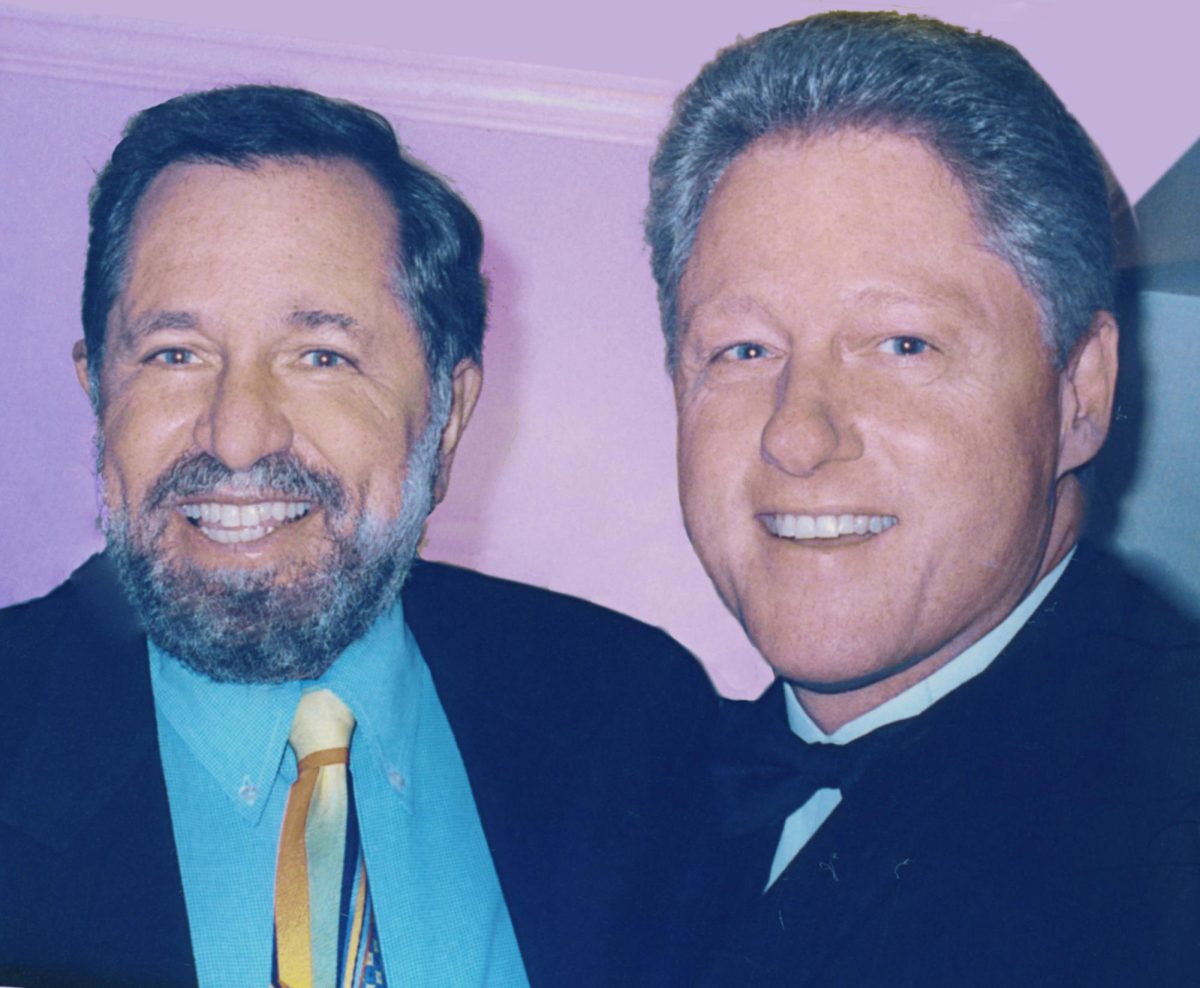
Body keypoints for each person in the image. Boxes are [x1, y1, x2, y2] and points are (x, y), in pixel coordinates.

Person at [0, 84, 715, 988]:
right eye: (174, 353)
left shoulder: (634, 718)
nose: (237, 434)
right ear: (99, 393)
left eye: (322, 357)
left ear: (447, 420)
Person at [644, 12, 1200, 984]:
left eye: (904, 343)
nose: (797, 432)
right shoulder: (632, 780)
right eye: (743, 350)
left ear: (1081, 390)